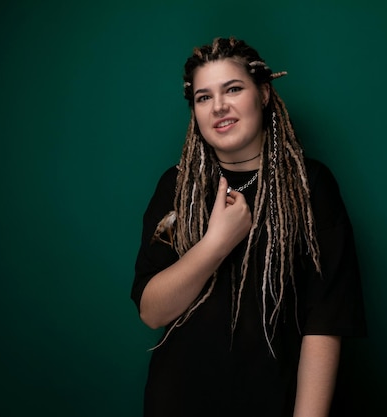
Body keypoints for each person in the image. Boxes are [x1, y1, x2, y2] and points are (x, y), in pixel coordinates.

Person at [131, 37, 366, 417]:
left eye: (233, 89)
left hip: (274, 402)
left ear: (265, 93)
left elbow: (326, 320)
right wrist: (216, 244)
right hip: (177, 402)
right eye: (204, 97)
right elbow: (152, 312)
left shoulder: (310, 185)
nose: (219, 106)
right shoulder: (176, 187)